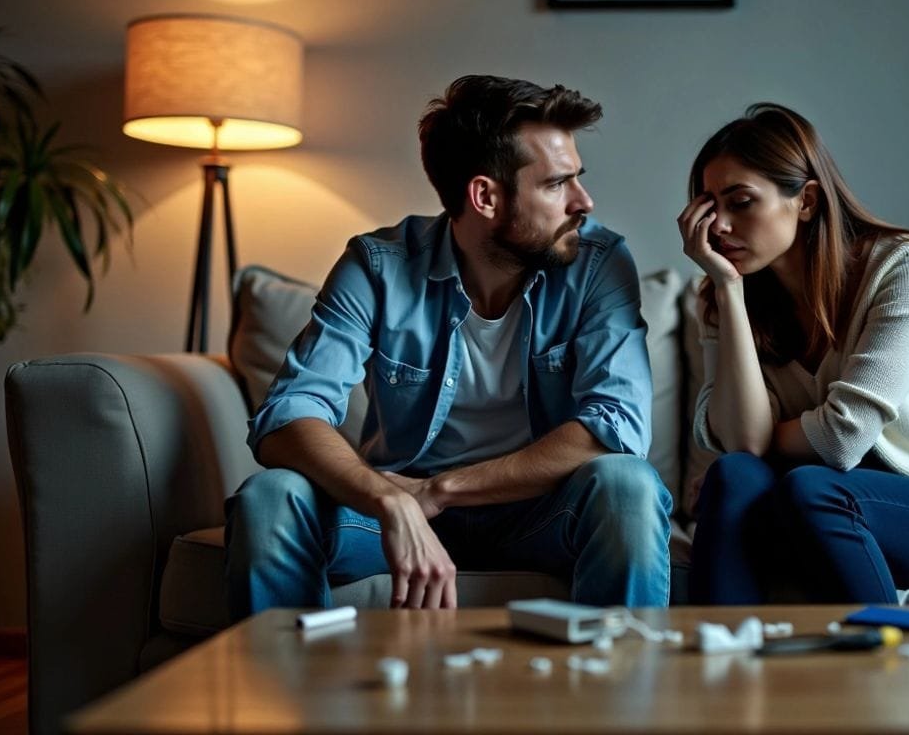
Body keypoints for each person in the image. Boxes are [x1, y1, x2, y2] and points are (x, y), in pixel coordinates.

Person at [225, 75, 672, 618]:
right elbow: (287, 414)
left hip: (539, 514)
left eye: (578, 178)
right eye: (557, 184)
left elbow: (616, 428)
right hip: (396, 512)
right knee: (269, 498)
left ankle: (618, 697)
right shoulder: (378, 266)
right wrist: (390, 500)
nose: (584, 201)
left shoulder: (597, 263)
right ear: (485, 196)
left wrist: (441, 490)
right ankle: (289, 698)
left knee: (628, 485)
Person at [677, 103, 909, 605]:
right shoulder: (720, 297)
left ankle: (880, 668)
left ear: (807, 201)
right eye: (710, 208)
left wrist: (763, 446)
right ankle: (721, 668)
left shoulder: (904, 265)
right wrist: (729, 290)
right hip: (812, 505)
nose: (721, 227)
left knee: (813, 489)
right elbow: (741, 445)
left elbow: (844, 439)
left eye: (742, 202)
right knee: (733, 476)